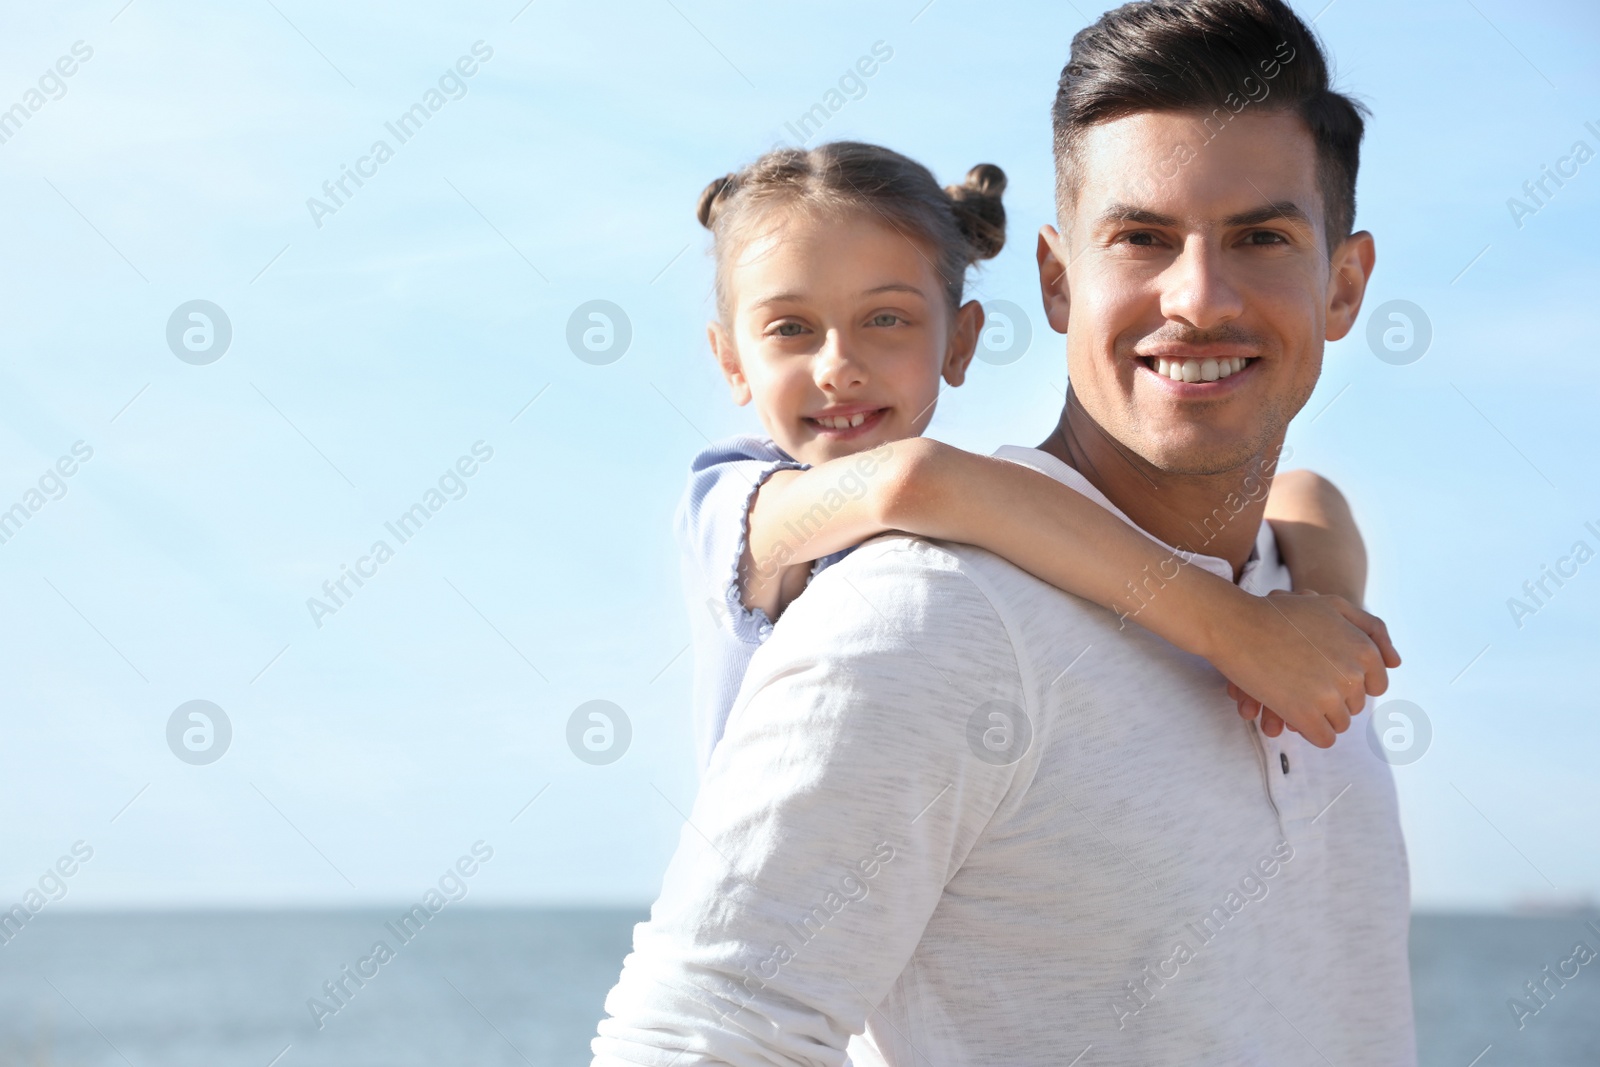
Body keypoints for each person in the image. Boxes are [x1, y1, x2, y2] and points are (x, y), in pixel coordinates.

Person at [596, 0, 1417, 1062]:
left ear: (1344, 285)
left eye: (1259, 237)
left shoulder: (1305, 616)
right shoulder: (931, 611)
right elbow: (700, 1032)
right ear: (1055, 279)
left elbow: (1310, 496)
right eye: (1142, 237)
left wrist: (1321, 605)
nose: (1199, 296)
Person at [680, 142, 1396, 773]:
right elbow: (915, 479)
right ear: (729, 360)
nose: (838, 365)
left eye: (886, 318)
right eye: (790, 327)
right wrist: (1238, 629)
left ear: (960, 342)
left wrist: (1323, 612)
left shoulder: (975, 503)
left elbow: (1305, 495)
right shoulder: (735, 503)